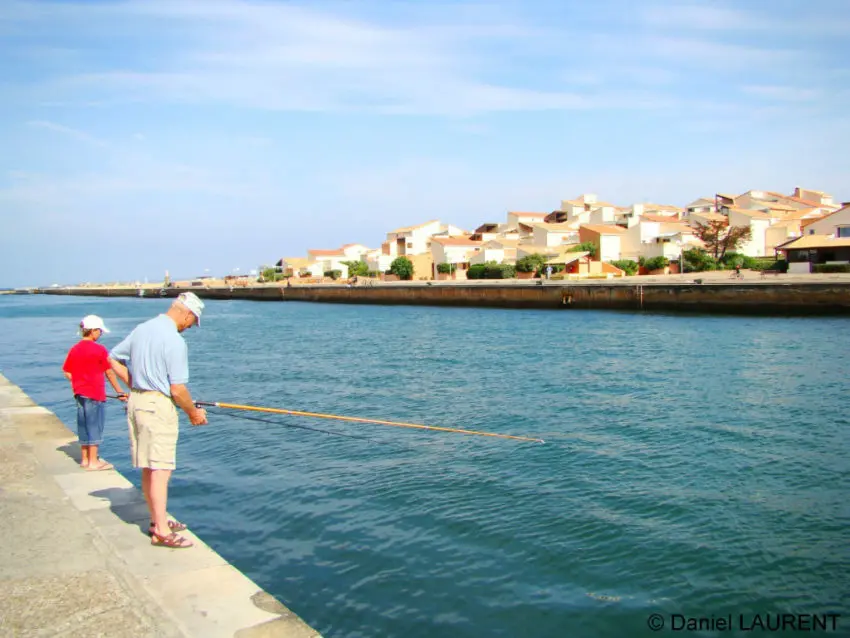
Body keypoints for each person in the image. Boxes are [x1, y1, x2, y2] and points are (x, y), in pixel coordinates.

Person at [109, 292, 208, 549]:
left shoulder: (143, 329)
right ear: (186, 313)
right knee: (161, 470)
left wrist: (135, 384)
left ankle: (158, 519)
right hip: (157, 407)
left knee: (148, 468)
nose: (189, 327)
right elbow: (177, 390)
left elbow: (111, 358)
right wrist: (193, 413)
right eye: (192, 321)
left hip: (137, 402)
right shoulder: (174, 341)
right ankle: (161, 531)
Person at [62, 315, 128, 471]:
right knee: (94, 425)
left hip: (79, 393)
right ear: (92, 331)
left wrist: (78, 382)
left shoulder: (75, 348)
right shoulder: (99, 349)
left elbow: (66, 371)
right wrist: (119, 391)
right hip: (95, 393)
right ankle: (93, 462)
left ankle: (84, 460)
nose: (101, 334)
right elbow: (109, 373)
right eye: (99, 331)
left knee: (83, 424)